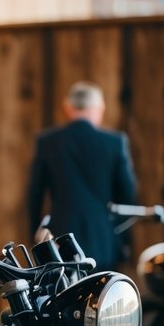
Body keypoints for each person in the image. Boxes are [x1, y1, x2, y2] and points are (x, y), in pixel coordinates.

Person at [27, 80, 137, 270]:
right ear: (98, 108)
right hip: (103, 241)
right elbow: (127, 195)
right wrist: (121, 241)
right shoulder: (114, 143)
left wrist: (36, 237)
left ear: (68, 107)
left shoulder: (48, 143)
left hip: (59, 242)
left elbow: (34, 194)